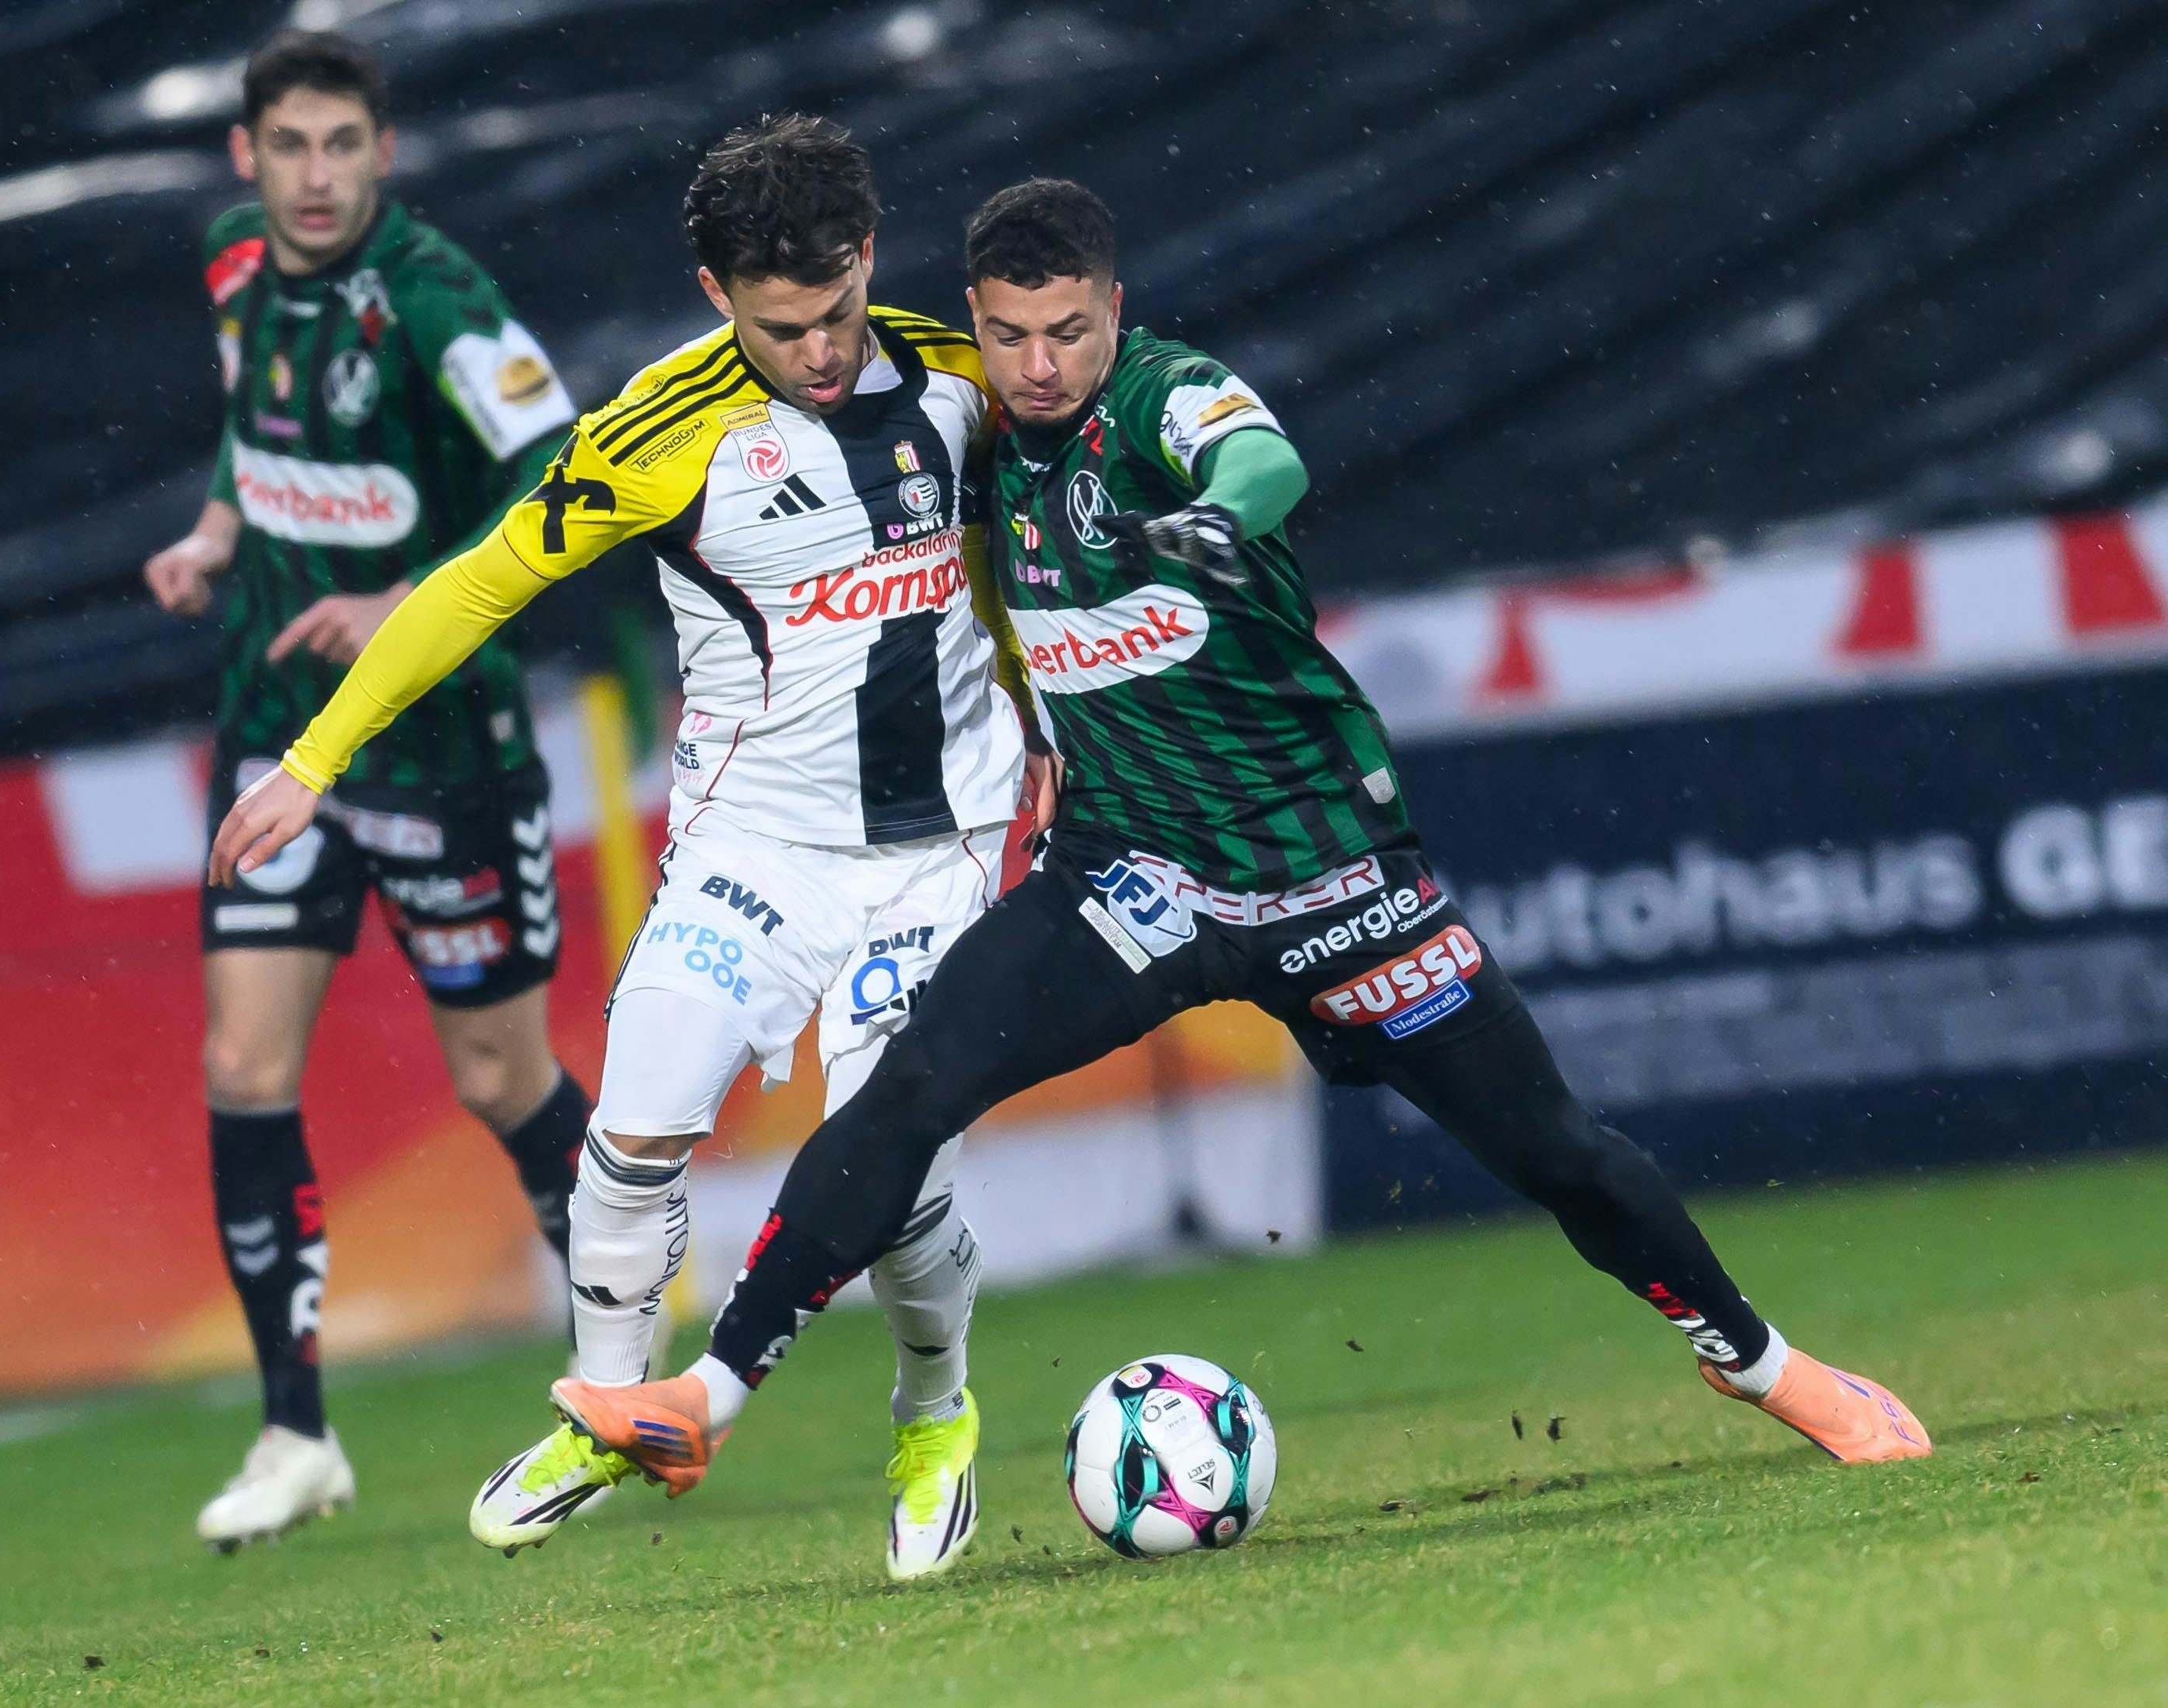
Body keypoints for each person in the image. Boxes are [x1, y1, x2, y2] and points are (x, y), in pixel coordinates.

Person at [544, 177, 1933, 1500]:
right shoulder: (962, 437)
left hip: (1330, 879)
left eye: (1070, 330)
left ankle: (1764, 1364)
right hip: (1130, 881)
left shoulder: (1164, 398)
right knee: (907, 1091)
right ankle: (703, 1400)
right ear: (974, 322)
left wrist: (1215, 516)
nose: (1040, 365)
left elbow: (1263, 455)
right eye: (1010, 335)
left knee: (1556, 1149)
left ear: (1116, 309)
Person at [210, 115, 1046, 1580]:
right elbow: (475, 587)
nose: (826, 353)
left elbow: (1043, 551)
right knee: (629, 1140)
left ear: (868, 255)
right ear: (718, 296)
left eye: (842, 310)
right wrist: (312, 758)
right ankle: (611, 1405)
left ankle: (934, 1412)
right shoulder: (656, 436)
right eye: (785, 329)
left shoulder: (968, 375)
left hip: (941, 842)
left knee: (892, 1165)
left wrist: (1057, 718)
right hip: (753, 845)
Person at [143, 30, 596, 1552]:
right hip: (283, 738)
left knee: (498, 1082)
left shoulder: (440, 300)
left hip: (439, 751)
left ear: (384, 153)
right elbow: (252, 427)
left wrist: (404, 597)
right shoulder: (229, 270)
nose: (318, 175)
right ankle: (294, 1432)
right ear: (245, 160)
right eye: (292, 149)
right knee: (242, 1066)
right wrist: (216, 534)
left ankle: (629, 1345)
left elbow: (569, 476)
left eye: (345, 145)